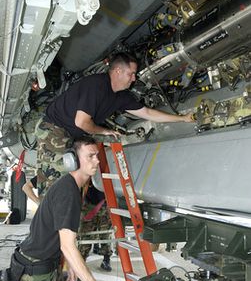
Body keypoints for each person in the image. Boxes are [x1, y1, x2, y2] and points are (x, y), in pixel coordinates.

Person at [36, 52, 194, 197]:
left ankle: (58, 221)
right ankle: (52, 224)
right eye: (131, 74)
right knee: (56, 183)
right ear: (118, 71)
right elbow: (82, 122)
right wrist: (104, 131)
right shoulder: (96, 85)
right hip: (54, 130)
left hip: (70, 134)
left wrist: (182, 118)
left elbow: (147, 113)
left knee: (71, 182)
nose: (134, 79)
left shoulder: (120, 96)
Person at [12, 136, 107, 281]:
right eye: (90, 156)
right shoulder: (68, 192)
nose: (97, 160)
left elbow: (61, 238)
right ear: (73, 160)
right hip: (35, 271)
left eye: (97, 155)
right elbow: (67, 246)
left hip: (44, 264)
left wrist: (71, 265)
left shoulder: (71, 186)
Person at [79, 183, 113, 272]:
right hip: (88, 207)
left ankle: (106, 260)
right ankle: (81, 263)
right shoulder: (88, 174)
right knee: (86, 237)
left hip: (104, 206)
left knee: (105, 236)